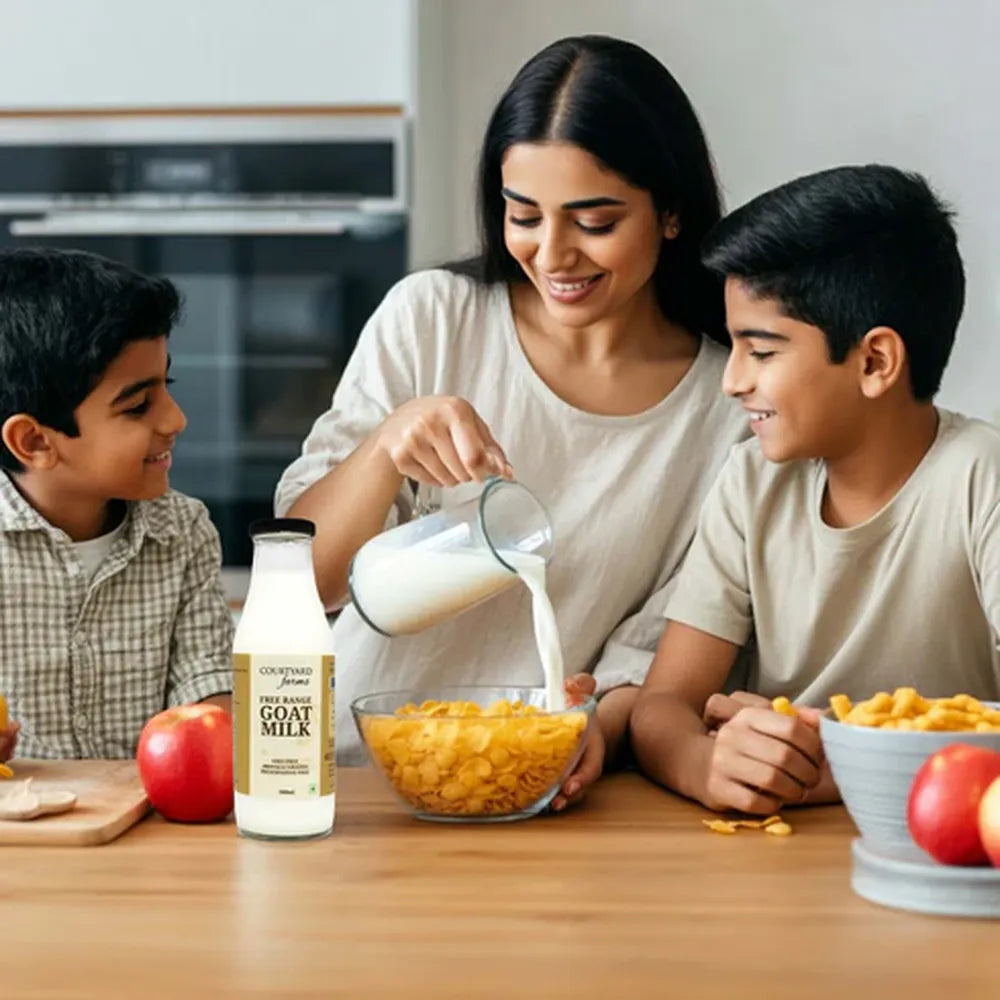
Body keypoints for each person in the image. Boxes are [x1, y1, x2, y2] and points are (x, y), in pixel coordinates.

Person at [276, 35, 747, 801]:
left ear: (670, 213)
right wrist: (385, 447)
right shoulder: (432, 319)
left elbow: (653, 656)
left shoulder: (722, 408)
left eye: (593, 222)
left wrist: (594, 724)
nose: (553, 254)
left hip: (536, 782)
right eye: (523, 214)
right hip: (357, 776)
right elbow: (305, 584)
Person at [630, 163, 1000, 814]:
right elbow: (664, 706)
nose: (732, 380)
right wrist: (707, 765)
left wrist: (848, 753)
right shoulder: (750, 486)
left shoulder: (980, 476)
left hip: (948, 847)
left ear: (874, 362)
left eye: (762, 351)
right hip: (771, 863)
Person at [0, 248, 233, 763]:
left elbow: (207, 678)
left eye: (165, 386)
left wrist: (223, 738)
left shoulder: (184, 530)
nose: (175, 419)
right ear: (35, 442)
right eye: (137, 405)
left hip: (154, 823)